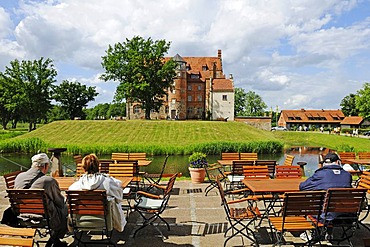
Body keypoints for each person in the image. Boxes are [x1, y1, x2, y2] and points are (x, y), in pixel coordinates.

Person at [14, 153, 68, 247]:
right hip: (45, 218)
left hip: (22, 216)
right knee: (65, 208)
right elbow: (59, 202)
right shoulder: (47, 181)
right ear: (46, 166)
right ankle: (56, 239)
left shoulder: (19, 177)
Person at [299, 152, 352, 241]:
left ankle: (311, 233)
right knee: (332, 204)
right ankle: (329, 233)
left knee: (313, 204)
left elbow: (302, 187)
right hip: (346, 215)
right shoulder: (347, 175)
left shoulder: (320, 175)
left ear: (324, 163)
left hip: (324, 216)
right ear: (338, 162)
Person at [68, 154, 126, 232]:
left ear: (84, 168)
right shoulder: (107, 182)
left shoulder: (75, 186)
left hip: (81, 221)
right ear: (98, 166)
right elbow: (119, 197)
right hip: (104, 220)